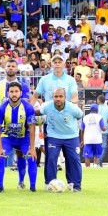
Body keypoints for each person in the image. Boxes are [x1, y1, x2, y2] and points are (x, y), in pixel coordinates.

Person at [30, 55, 79, 186]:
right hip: (50, 120)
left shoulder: (70, 80)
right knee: (51, 156)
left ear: (64, 65)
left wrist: (70, 106)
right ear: (51, 65)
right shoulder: (45, 79)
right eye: (55, 62)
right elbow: (35, 95)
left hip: (67, 120)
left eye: (60, 62)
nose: (57, 64)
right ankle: (49, 182)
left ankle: (72, 182)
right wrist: (28, 110)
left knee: (71, 157)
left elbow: (74, 96)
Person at [36, 88, 84, 192]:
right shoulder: (47, 107)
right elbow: (37, 112)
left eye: (61, 96)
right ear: (52, 97)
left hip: (71, 136)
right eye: (56, 96)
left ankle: (75, 185)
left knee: (74, 159)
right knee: (51, 158)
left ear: (65, 97)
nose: (58, 99)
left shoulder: (73, 108)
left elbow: (80, 116)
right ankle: (50, 183)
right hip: (53, 136)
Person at [0, 82, 37, 192]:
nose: (14, 94)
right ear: (8, 93)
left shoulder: (28, 107)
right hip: (7, 138)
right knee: (0, 157)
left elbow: (32, 128)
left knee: (31, 157)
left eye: (16, 91)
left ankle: (31, 187)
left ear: (21, 93)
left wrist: (32, 148)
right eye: (11, 92)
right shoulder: (1, 108)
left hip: (24, 138)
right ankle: (0, 186)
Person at [97, 95, 108, 167]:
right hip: (105, 130)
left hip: (97, 130)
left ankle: (97, 160)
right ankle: (100, 160)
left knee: (98, 145)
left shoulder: (97, 108)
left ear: (99, 100)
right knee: (104, 146)